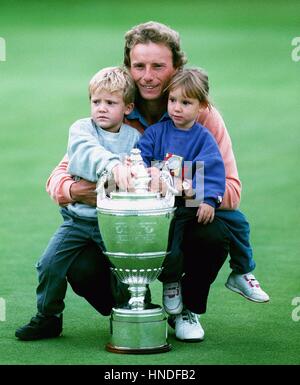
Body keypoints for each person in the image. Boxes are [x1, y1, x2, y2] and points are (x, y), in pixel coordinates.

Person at [23, 21, 269, 342]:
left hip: (179, 218)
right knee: (80, 267)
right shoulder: (115, 107)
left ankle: (186, 308)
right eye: (138, 66)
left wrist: (171, 183)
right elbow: (59, 179)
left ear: (177, 67)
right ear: (128, 67)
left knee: (214, 231)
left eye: (158, 66)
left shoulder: (202, 116)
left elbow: (231, 192)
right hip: (127, 226)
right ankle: (135, 311)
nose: (148, 76)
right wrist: (78, 190)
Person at [15, 66, 141, 340]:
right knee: (49, 264)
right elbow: (85, 155)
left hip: (114, 222)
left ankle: (126, 316)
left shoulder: (135, 139)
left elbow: (137, 176)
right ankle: (49, 316)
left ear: (128, 107)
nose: (102, 109)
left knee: (123, 272)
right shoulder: (81, 129)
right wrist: (112, 167)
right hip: (77, 220)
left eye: (111, 103)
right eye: (96, 102)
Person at [137, 68, 226, 323]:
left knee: (219, 237)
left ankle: (188, 301)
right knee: (168, 249)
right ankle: (170, 281)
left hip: (188, 210)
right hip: (158, 209)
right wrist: (147, 172)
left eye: (185, 103)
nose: (176, 108)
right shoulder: (156, 133)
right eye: (172, 100)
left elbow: (212, 169)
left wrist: (209, 199)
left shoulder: (203, 138)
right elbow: (141, 158)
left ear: (202, 106)